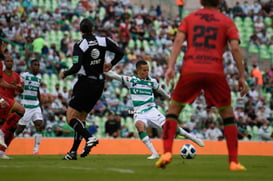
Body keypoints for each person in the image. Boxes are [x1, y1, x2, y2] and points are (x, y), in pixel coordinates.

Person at [155, 0, 248, 171]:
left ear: (201, 1)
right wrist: (241, 76)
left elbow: (178, 41)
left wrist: (170, 67)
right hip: (215, 71)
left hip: (191, 70)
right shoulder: (226, 21)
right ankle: (233, 161)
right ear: (219, 2)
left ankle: (167, 152)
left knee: (173, 111)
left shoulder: (190, 18)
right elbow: (235, 48)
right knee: (227, 115)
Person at [105, 60, 204, 160]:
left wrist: (169, 98)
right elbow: (114, 75)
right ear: (138, 71)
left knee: (169, 128)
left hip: (151, 110)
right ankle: (155, 153)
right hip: (139, 112)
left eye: (148, 70)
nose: (147, 72)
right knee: (139, 126)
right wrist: (103, 70)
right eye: (144, 70)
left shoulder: (152, 82)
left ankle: (192, 137)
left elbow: (161, 91)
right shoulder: (131, 81)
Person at [59, 18, 124, 160]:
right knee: (81, 118)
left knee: (71, 118)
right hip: (99, 84)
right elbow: (120, 52)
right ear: (93, 29)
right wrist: (111, 63)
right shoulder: (103, 40)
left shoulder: (80, 45)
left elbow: (76, 67)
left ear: (81, 30)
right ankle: (73, 152)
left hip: (85, 83)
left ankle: (89, 138)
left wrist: (65, 73)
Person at [0, 40, 25, 159]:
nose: (9, 62)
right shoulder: (2, 72)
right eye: (8, 61)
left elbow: (20, 91)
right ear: (5, 62)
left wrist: (19, 88)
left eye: (11, 61)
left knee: (12, 128)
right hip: (3, 101)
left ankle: (2, 151)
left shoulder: (16, 75)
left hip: (10, 101)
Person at [15, 59, 44, 155]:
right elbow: (19, 87)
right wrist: (20, 88)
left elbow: (37, 91)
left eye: (38, 65)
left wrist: (40, 104)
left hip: (35, 105)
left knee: (39, 124)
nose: (37, 67)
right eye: (35, 65)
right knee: (20, 129)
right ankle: (5, 143)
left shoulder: (39, 77)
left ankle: (36, 150)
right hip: (26, 105)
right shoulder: (24, 75)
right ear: (31, 66)